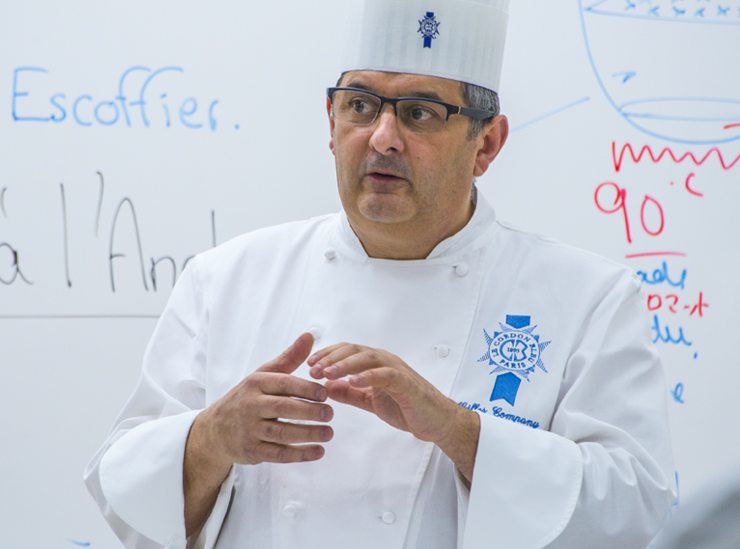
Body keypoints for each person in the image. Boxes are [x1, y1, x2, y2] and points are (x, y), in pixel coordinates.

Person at [85, 0, 676, 547]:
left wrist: (458, 431)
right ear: (331, 119)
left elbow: (632, 508)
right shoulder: (224, 279)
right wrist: (212, 439)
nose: (383, 139)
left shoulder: (587, 298)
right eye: (361, 106)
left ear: (486, 145)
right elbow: (124, 493)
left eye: (421, 113)